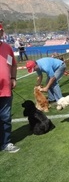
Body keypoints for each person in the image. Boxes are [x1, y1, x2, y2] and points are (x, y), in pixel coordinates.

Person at [0, 24, 20, 153]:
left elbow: (12, 64)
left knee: (5, 118)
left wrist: (13, 78)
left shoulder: (7, 48)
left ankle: (6, 143)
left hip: (5, 89)